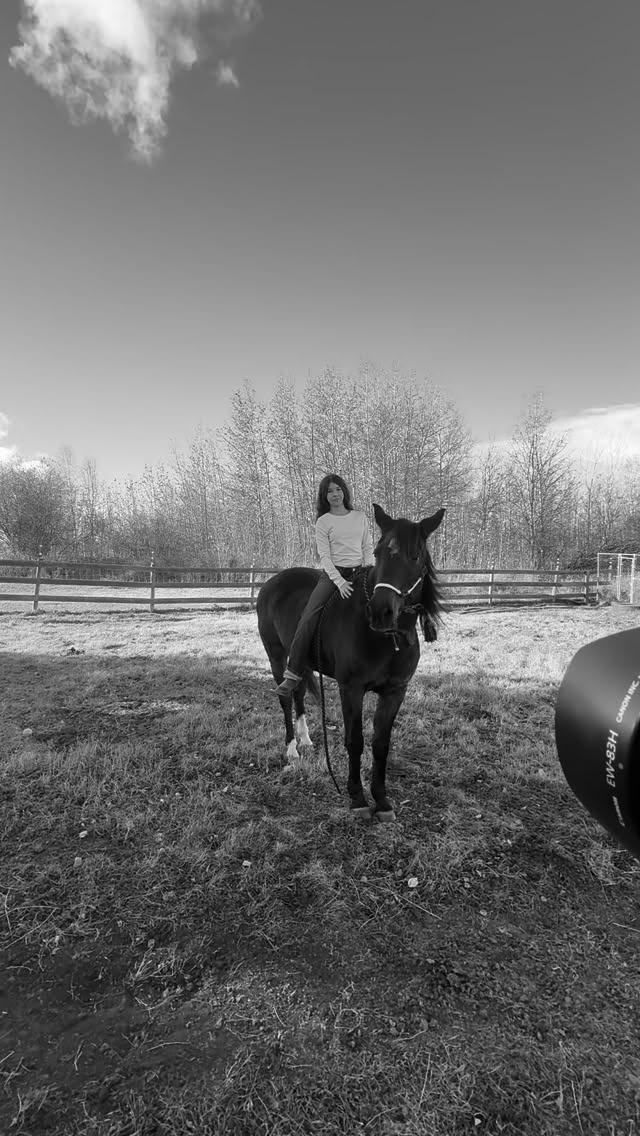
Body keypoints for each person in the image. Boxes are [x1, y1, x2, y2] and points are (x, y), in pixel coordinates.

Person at [275, 474, 375, 695]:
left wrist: (369, 569)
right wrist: (339, 582)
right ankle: (293, 673)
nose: (335, 494)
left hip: (362, 572)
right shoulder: (324, 522)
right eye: (329, 491)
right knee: (309, 616)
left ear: (344, 492)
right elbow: (325, 557)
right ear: (324, 496)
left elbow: (367, 546)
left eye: (338, 489)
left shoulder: (360, 517)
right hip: (332, 576)